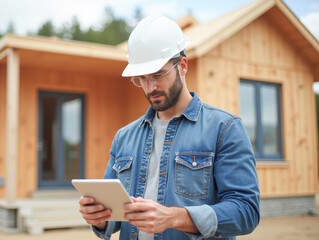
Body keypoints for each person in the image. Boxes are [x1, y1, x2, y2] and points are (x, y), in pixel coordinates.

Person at [78, 15, 260, 240]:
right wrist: (99, 216)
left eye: (157, 74)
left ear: (182, 65)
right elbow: (115, 215)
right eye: (142, 78)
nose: (150, 87)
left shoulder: (225, 128)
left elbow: (246, 212)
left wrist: (175, 217)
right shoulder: (124, 137)